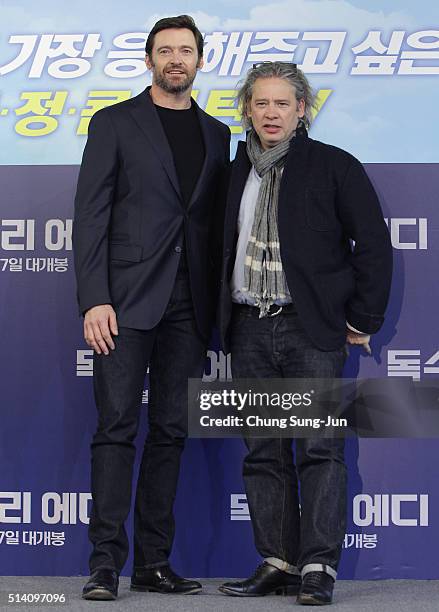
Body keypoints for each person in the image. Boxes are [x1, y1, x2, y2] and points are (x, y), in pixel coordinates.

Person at [217, 62, 392, 605]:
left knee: (319, 451)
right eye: (261, 103)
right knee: (263, 452)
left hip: (310, 329)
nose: (271, 113)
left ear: (301, 111)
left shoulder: (336, 166)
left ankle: (318, 568)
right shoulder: (231, 174)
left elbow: (373, 246)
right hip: (248, 328)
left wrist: (363, 319)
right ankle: (277, 561)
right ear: (248, 108)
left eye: (282, 104)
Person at [73, 14, 230, 601]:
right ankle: (104, 564)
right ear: (148, 60)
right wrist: (95, 298)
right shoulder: (114, 122)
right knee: (116, 431)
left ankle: (153, 563)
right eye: (165, 51)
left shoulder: (218, 135)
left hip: (190, 307)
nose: (175, 60)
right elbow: (90, 215)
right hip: (125, 304)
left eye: (185, 51)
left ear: (198, 61)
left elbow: (212, 226)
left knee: (169, 432)